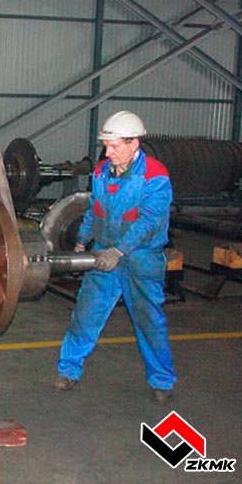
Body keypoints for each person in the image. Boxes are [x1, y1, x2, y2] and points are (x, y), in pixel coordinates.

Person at [54, 110, 177, 405]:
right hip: (103, 253)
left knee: (149, 321)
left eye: (114, 146)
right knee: (85, 315)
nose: (107, 152)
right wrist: (81, 242)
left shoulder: (154, 176)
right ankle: (68, 370)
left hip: (141, 259)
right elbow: (94, 210)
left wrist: (119, 251)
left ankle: (162, 380)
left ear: (134, 143)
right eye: (106, 146)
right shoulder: (101, 172)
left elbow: (150, 222)